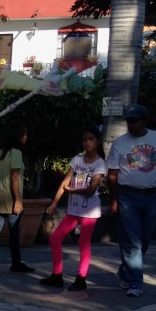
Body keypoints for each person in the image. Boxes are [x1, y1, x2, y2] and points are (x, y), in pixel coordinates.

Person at [106, 104, 156, 297]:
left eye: (135, 121)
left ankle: (125, 270)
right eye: (129, 121)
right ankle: (135, 282)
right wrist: (113, 199)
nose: (131, 125)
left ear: (144, 121)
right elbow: (112, 174)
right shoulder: (120, 143)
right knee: (132, 241)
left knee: (144, 240)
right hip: (128, 197)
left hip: (152, 196)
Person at [39, 125, 106, 291]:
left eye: (91, 139)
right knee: (55, 239)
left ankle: (81, 279)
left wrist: (74, 190)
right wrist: (54, 203)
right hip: (73, 210)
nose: (87, 142)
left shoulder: (100, 163)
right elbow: (65, 182)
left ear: (97, 141)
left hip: (90, 211)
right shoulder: (77, 159)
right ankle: (57, 275)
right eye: (84, 140)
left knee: (83, 242)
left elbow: (91, 190)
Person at [0, 127, 35, 273]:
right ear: (19, 137)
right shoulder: (16, 153)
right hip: (11, 199)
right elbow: (14, 178)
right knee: (14, 232)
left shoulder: (2, 152)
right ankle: (16, 263)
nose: (26, 138)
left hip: (0, 197)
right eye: (25, 135)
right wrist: (18, 200)